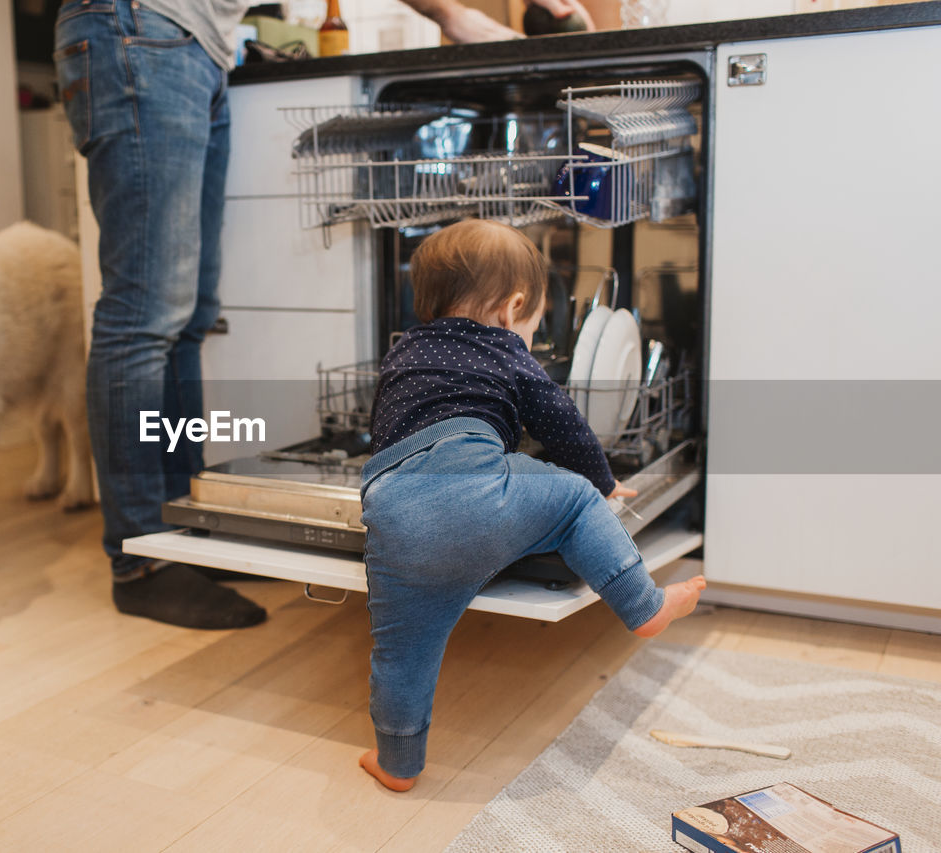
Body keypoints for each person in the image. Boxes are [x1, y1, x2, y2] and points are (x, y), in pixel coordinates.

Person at [52, 0, 594, 632]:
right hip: (138, 29)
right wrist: (454, 14)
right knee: (144, 316)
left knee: (187, 315)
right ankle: (138, 559)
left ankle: (175, 528)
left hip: (190, 44)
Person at [356, 219, 706, 791]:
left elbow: (389, 433)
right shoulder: (507, 351)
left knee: (401, 655)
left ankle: (397, 763)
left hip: (393, 511)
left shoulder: (403, 352)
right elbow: (561, 425)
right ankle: (644, 605)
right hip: (475, 488)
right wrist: (601, 478)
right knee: (571, 498)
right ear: (513, 307)